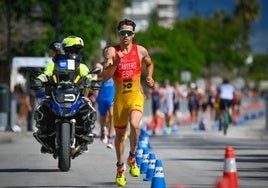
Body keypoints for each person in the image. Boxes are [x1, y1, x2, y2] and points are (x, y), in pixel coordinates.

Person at [102, 18, 154, 186]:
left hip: (136, 96)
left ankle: (132, 156)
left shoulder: (140, 50)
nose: (125, 36)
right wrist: (117, 60)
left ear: (133, 34)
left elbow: (149, 63)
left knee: (136, 124)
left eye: (129, 33)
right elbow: (105, 76)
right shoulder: (111, 51)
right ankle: (120, 167)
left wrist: (149, 76)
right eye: (122, 33)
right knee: (119, 137)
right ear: (118, 34)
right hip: (120, 101)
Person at [33, 35, 96, 153]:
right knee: (41, 108)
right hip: (55, 95)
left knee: (89, 107)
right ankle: (45, 133)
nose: (73, 54)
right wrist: (39, 80)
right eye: (71, 50)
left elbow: (88, 77)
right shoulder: (54, 65)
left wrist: (93, 82)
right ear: (63, 50)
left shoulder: (81, 66)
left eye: (77, 51)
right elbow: (45, 74)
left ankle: (86, 133)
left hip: (75, 95)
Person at [95, 47, 115, 149]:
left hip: (112, 94)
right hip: (102, 94)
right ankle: (103, 130)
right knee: (103, 117)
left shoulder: (115, 65)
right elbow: (95, 78)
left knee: (112, 115)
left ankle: (110, 138)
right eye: (107, 53)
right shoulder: (100, 65)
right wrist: (101, 74)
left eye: (110, 53)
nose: (108, 55)